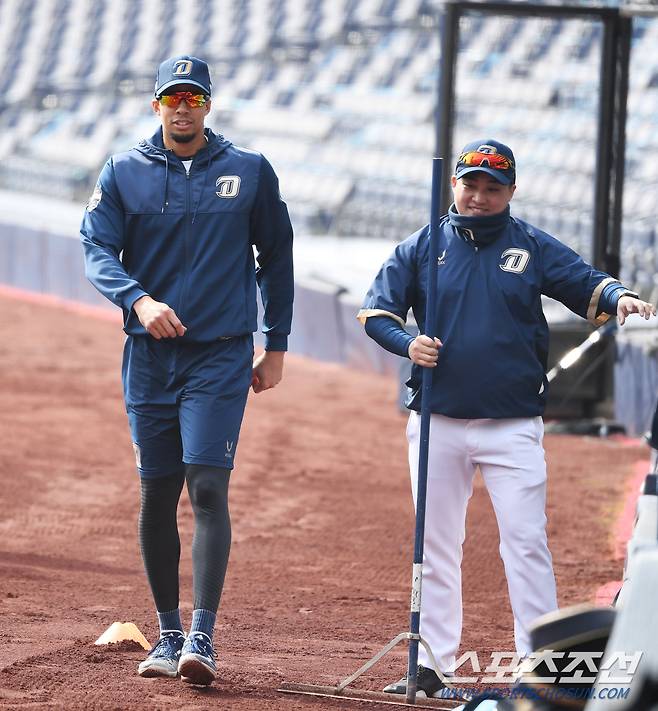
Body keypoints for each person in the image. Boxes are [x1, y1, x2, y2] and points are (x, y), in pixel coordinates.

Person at [358, 139, 656, 699]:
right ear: (455, 186)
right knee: (437, 540)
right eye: (470, 183)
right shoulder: (423, 244)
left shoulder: (531, 246)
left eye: (492, 187)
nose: (479, 195)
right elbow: (377, 312)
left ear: (511, 191)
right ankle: (431, 664)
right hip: (436, 419)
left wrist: (619, 297)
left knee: (525, 542)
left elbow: (586, 282)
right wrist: (407, 343)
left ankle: (540, 667)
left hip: (512, 423)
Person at [80, 55, 294, 686]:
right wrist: (139, 300)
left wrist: (275, 344)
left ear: (207, 105)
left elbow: (277, 257)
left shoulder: (249, 171)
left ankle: (203, 635)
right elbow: (96, 245)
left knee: (206, 486)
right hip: (148, 356)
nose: (182, 106)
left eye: (193, 97)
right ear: (157, 106)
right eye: (172, 97)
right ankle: (167, 635)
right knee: (156, 493)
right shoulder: (123, 170)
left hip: (220, 354)